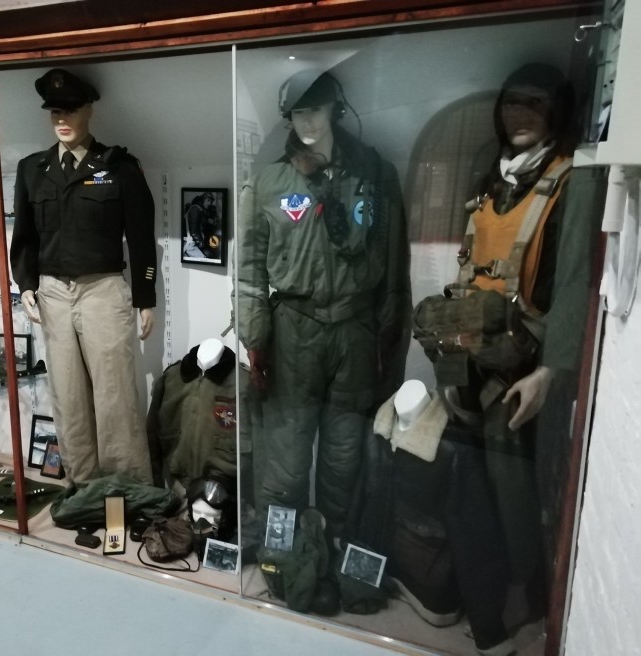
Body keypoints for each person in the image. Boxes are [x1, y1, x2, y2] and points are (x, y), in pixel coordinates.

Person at [441, 63, 604, 630]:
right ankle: (480, 579)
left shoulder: (572, 180)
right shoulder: (494, 180)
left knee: (515, 487)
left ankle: (520, 590)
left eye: (535, 104)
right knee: (472, 482)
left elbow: (576, 281)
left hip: (523, 366)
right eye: (512, 104)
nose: (520, 115)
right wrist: (450, 364)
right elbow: (464, 276)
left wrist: (552, 372)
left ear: (556, 112)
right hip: (472, 356)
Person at [236, 70, 411, 544]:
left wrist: (391, 341)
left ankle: (333, 548)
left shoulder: (374, 175)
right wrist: (255, 338)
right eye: (297, 112)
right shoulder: (269, 182)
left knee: (344, 455)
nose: (307, 121)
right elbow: (248, 271)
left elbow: (395, 267)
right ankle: (280, 551)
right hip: (294, 330)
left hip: (356, 331)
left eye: (315, 109)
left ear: (336, 108)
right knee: (286, 456)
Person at [10, 68, 157, 485]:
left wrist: (145, 297)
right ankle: (83, 486)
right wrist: (26, 285)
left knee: (115, 396)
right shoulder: (32, 169)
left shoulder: (119, 167)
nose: (62, 119)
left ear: (89, 110)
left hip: (102, 290)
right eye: (55, 111)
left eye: (71, 110)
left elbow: (141, 236)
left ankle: (127, 489)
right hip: (53, 293)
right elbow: (24, 236)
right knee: (68, 395)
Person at [183, 192, 221, 260]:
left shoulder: (201, 210)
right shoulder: (195, 209)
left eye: (211, 201)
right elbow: (194, 230)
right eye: (208, 200)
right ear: (203, 199)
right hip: (190, 244)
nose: (209, 203)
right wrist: (201, 245)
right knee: (205, 259)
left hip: (194, 243)